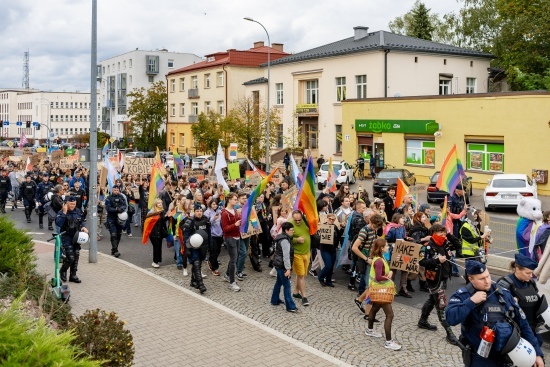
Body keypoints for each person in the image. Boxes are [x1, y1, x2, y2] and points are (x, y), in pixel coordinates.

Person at [446, 261, 545, 367]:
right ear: (471, 279)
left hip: (506, 356)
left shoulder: (503, 293)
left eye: (488, 276)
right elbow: (451, 319)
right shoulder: (463, 295)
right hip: (480, 358)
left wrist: (537, 353)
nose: (487, 281)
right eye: (481, 279)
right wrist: (471, 302)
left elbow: (524, 325)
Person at [417, 224, 458, 345]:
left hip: (444, 277)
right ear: (434, 233)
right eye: (441, 234)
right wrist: (436, 261)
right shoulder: (426, 246)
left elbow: (458, 245)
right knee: (441, 304)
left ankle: (422, 321)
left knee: (432, 299)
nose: (444, 236)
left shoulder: (445, 243)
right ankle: (449, 333)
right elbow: (422, 262)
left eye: (444, 233)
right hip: (434, 280)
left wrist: (449, 235)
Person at [497, 254, 546, 349]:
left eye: (532, 273)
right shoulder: (505, 284)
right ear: (517, 269)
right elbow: (498, 309)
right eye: (528, 273)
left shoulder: (530, 283)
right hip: (517, 331)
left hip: (533, 329)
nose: (531, 276)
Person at [364, 238, 401, 351]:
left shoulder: (380, 258)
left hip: (377, 290)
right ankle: (388, 342)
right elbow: (379, 277)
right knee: (390, 315)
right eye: (386, 246)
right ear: (381, 248)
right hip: (382, 290)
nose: (388, 247)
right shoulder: (379, 261)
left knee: (374, 309)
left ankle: (370, 330)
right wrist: (390, 273)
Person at [55, 196, 88, 283]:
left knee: (76, 255)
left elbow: (81, 221)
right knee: (70, 257)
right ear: (67, 203)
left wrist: (83, 227)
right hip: (67, 236)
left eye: (74, 204)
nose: (73, 206)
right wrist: (64, 212)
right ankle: (63, 270)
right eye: (71, 204)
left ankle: (73, 275)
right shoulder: (61, 211)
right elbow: (58, 223)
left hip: (76, 236)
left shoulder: (77, 211)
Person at [182, 203, 211, 293]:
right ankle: (200, 285)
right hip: (193, 246)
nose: (199, 213)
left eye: (201, 211)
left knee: (198, 264)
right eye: (197, 211)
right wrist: (188, 249)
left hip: (203, 246)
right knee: (196, 263)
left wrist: (210, 245)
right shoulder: (190, 221)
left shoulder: (206, 220)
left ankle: (193, 281)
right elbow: (186, 237)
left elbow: (209, 233)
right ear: (194, 212)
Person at [271, 222, 299, 312]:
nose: (293, 231)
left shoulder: (282, 237)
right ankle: (290, 306)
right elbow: (286, 256)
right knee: (287, 285)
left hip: (278, 264)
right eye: (291, 230)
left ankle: (274, 300)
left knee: (278, 283)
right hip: (282, 265)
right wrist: (288, 269)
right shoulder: (285, 241)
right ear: (286, 230)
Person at [289, 210, 311, 307]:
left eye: (299, 220)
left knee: (300, 274)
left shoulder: (305, 220)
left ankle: (295, 292)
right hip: (297, 254)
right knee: (301, 275)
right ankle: (304, 296)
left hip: (306, 252)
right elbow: (286, 238)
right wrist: (296, 240)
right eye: (296, 220)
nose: (298, 222)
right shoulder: (289, 224)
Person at [221, 192, 241, 292]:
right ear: (229, 200)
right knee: (233, 260)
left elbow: (238, 221)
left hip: (237, 236)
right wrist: (235, 225)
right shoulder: (225, 213)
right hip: (230, 238)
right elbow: (225, 229)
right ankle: (232, 282)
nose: (236, 201)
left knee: (235, 258)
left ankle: (227, 275)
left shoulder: (235, 210)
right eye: (235, 199)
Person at [142, 199, 168, 268]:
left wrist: (167, 217)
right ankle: (155, 261)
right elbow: (147, 223)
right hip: (153, 233)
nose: (160, 205)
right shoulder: (151, 212)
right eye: (159, 203)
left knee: (159, 247)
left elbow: (163, 221)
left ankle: (157, 260)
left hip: (160, 232)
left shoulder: (162, 211)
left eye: (161, 203)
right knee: (156, 247)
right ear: (155, 204)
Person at [317, 213, 340, 287]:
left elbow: (338, 236)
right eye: (330, 219)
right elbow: (319, 237)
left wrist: (342, 228)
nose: (331, 220)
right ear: (327, 219)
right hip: (325, 249)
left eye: (333, 219)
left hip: (333, 249)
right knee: (328, 265)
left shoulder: (335, 227)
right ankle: (321, 277)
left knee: (331, 266)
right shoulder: (323, 226)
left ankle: (328, 281)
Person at [105, 185, 127, 258]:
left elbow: (125, 205)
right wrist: (116, 209)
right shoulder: (109, 198)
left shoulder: (121, 197)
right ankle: (116, 250)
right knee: (113, 234)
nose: (116, 191)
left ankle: (114, 249)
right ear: (112, 190)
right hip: (111, 218)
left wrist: (121, 209)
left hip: (120, 218)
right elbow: (108, 208)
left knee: (119, 234)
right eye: (115, 190)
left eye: (117, 190)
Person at [204, 199, 223, 276]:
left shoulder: (219, 211)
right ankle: (214, 268)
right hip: (212, 234)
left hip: (219, 233)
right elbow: (206, 223)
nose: (215, 206)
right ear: (210, 205)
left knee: (218, 250)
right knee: (213, 251)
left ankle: (211, 261)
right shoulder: (207, 212)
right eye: (213, 204)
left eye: (216, 204)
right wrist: (213, 219)